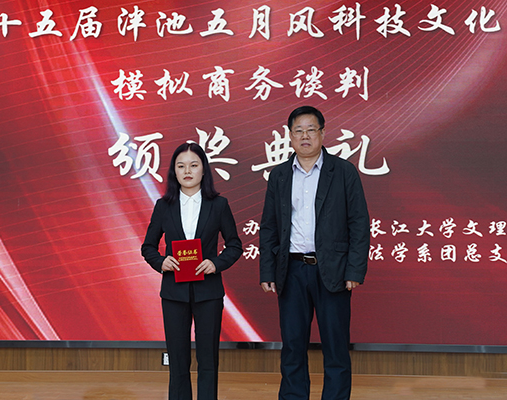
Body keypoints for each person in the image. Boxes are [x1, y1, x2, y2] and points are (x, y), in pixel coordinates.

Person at [259, 106, 370, 400]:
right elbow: (269, 227)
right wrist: (267, 270)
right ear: (290, 136)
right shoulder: (279, 175)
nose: (305, 136)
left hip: (332, 269)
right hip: (291, 270)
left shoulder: (343, 172)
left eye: (311, 129)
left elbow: (359, 223)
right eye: (298, 130)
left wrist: (354, 270)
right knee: (292, 344)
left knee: (335, 345)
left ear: (322, 133)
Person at [142, 142, 242, 400]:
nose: (187, 171)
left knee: (208, 359)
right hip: (173, 293)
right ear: (173, 171)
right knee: (178, 360)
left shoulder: (218, 205)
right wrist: (161, 262)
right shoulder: (163, 205)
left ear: (203, 169)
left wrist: (216, 264)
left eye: (193, 165)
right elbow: (148, 247)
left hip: (208, 292)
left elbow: (234, 245)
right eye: (181, 166)